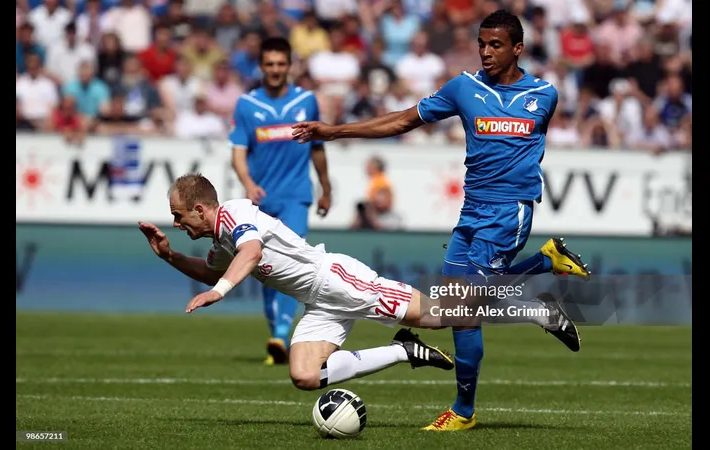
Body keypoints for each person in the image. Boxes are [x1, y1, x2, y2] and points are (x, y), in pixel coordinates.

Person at [291, 10, 590, 431]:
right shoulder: (463, 88)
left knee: (464, 310)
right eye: (482, 43)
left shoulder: (544, 95)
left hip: (508, 213)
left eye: (496, 45)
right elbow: (403, 120)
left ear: (518, 48)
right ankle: (544, 268)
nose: (486, 52)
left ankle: (464, 411)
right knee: (453, 306)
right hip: (471, 210)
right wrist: (336, 131)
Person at [139, 173, 576, 396]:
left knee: (447, 314)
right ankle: (403, 350)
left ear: (200, 208)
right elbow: (212, 269)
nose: (176, 224)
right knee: (305, 377)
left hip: (337, 281)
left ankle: (539, 304)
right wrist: (171, 256)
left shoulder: (235, 215)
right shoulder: (220, 239)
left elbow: (250, 255)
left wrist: (220, 293)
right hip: (318, 304)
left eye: (178, 217)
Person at [229, 36, 333, 366]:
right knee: (262, 267)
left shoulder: (306, 101)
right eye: (270, 64)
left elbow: (318, 148)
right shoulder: (247, 105)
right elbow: (238, 152)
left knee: (294, 259)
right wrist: (248, 183)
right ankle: (276, 333)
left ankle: (282, 332)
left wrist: (325, 187)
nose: (275, 70)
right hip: (262, 200)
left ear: (290, 66)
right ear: (261, 67)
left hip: (296, 197)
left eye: (281, 64)